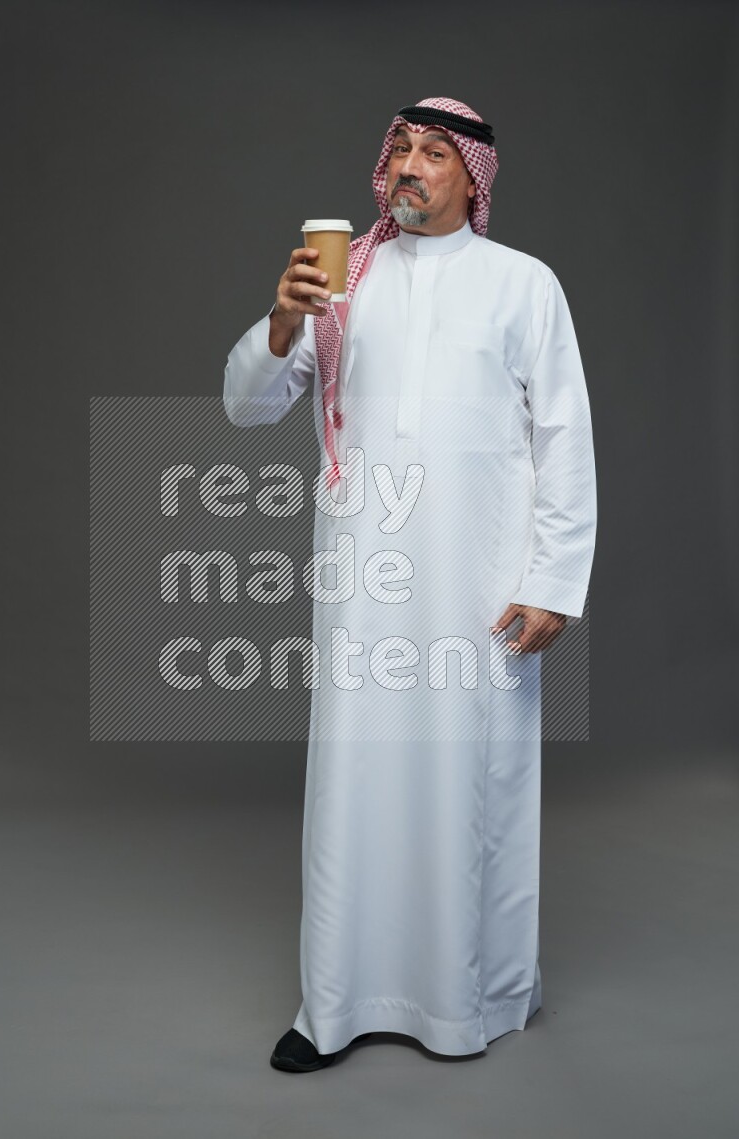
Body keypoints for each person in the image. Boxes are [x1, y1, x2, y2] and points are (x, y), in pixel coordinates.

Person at [223, 96, 597, 1073]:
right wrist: (278, 319)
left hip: (479, 591)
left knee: (474, 786)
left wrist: (553, 580)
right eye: (400, 146)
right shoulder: (338, 285)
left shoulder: (522, 285)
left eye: (436, 152)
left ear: (470, 176)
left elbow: (564, 439)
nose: (412, 164)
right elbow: (245, 406)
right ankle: (332, 1005)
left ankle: (466, 1000)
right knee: (353, 783)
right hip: (364, 588)